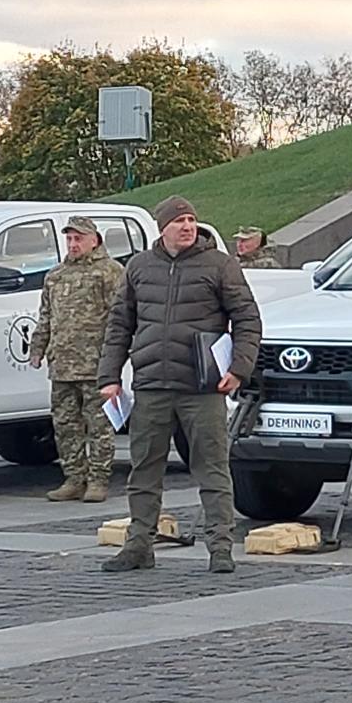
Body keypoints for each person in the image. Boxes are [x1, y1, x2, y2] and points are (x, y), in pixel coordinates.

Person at [97, 197, 261, 573]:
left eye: (191, 220)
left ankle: (220, 547)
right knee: (144, 469)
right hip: (152, 384)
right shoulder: (139, 267)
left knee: (213, 469)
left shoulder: (220, 264)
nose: (187, 226)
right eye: (179, 221)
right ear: (162, 227)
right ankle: (139, 545)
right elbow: (120, 324)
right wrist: (109, 377)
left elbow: (247, 319)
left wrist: (239, 368)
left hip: (202, 388)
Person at [29, 216, 125, 504]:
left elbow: (119, 318)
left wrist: (116, 359)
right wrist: (38, 347)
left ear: (94, 240)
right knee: (65, 424)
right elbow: (46, 315)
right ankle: (74, 477)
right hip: (62, 364)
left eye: (78, 238)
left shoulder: (110, 272)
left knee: (99, 426)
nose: (73, 244)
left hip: (96, 364)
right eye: (69, 238)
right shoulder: (55, 275)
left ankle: (98, 479)